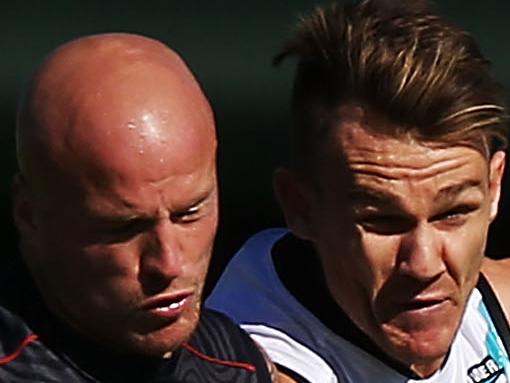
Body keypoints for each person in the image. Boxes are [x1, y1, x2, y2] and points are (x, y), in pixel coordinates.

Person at [207, 1, 510, 382]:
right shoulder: (261, 367)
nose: (424, 265)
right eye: (382, 221)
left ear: (494, 186)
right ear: (299, 207)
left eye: (453, 213)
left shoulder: (497, 302)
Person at [1, 33, 274, 382]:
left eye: (189, 213)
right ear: (28, 215)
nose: (168, 264)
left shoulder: (236, 364)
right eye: (123, 228)